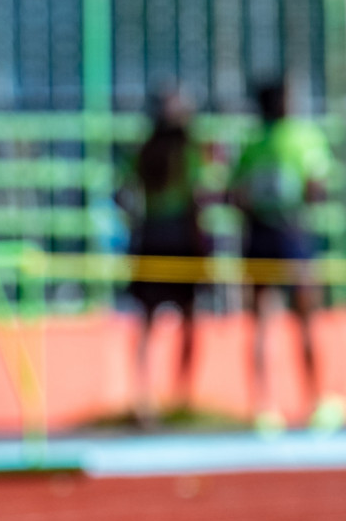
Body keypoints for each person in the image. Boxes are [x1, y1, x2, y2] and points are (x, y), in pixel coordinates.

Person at [228, 79, 336, 434]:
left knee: (261, 322)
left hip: (260, 236)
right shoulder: (304, 138)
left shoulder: (251, 143)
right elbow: (316, 188)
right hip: (291, 237)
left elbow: (236, 194)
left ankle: (264, 407)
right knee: (304, 320)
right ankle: (316, 401)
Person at [118, 90, 209, 427]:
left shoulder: (143, 152)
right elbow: (198, 199)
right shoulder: (190, 153)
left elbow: (122, 195)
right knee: (185, 320)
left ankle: (147, 400)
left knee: (148, 321)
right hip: (180, 239)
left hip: (151, 237)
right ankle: (179, 399)